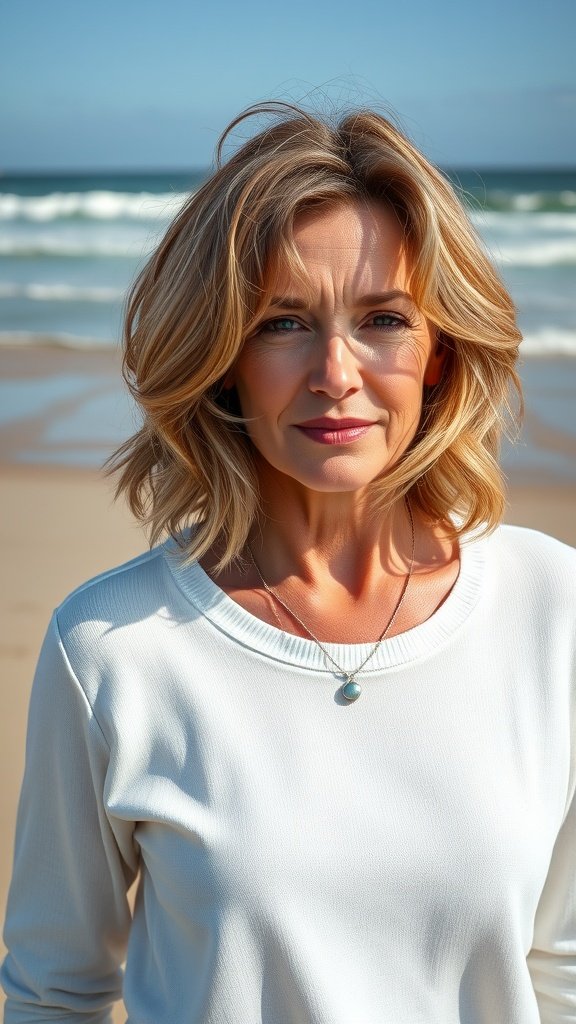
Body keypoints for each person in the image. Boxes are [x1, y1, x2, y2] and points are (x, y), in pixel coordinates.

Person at [2, 102, 575, 1024]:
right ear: (225, 354)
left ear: (438, 351)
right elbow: (53, 994)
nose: (336, 373)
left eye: (383, 318)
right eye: (282, 323)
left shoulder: (554, 610)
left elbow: (563, 974)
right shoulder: (112, 649)